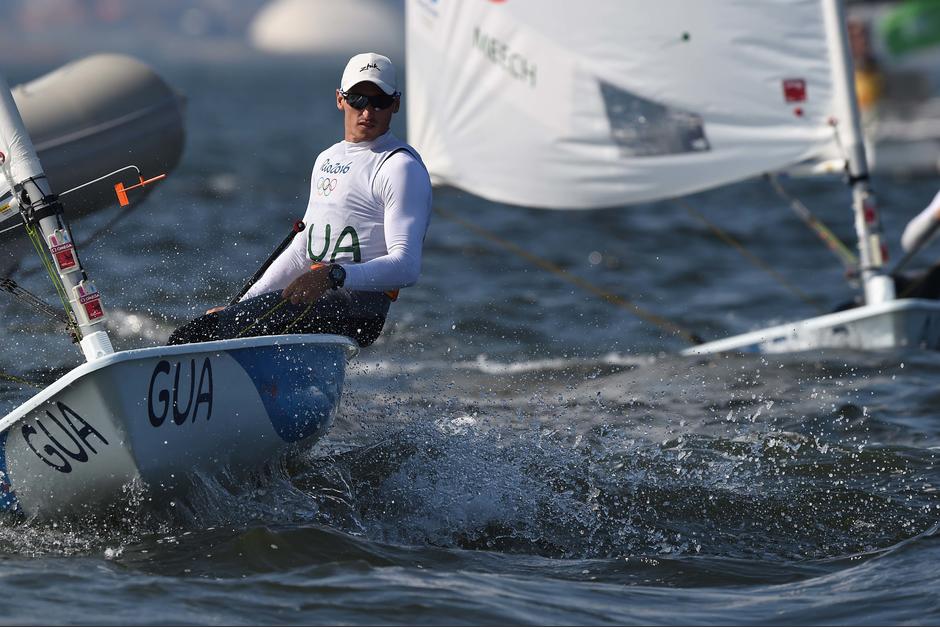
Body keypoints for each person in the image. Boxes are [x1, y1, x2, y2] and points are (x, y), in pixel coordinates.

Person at [169, 53, 432, 347]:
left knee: (204, 335)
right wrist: (240, 305)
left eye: (379, 101)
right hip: (320, 297)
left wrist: (333, 276)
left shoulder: (400, 167)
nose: (367, 111)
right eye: (358, 99)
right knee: (208, 327)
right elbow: (302, 251)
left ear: (395, 104)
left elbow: (406, 267)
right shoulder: (327, 159)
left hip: (359, 309)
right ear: (340, 99)